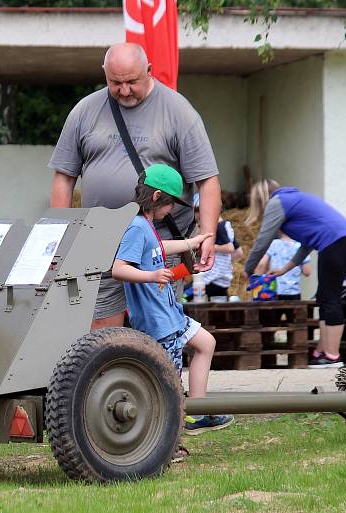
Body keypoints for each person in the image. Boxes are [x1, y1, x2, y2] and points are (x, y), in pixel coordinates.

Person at [48, 42, 221, 330]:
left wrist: (208, 234)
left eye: (132, 82)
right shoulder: (84, 111)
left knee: (158, 327)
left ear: (149, 71)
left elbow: (207, 180)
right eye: (115, 83)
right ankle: (108, 375)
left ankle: (157, 375)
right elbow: (63, 177)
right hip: (101, 240)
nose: (124, 90)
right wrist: (58, 237)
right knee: (102, 331)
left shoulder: (179, 112)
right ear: (104, 73)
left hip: (161, 240)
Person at [112, 164, 234, 435]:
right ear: (156, 197)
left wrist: (193, 242)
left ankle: (198, 414)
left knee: (206, 343)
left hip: (171, 314)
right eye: (170, 204)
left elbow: (159, 247)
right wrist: (152, 275)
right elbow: (118, 268)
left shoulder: (146, 225)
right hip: (158, 322)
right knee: (168, 385)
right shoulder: (136, 227)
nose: (171, 211)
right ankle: (168, 440)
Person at [243, 180, 346, 368]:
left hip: (335, 243)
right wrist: (284, 269)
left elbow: (262, 240)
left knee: (330, 298)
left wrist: (248, 270)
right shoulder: (294, 200)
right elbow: (306, 244)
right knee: (324, 296)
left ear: (261, 198)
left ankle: (333, 356)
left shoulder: (278, 202)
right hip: (345, 240)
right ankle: (322, 351)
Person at [255, 231, 312, 300]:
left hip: (274, 291)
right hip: (294, 293)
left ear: (279, 230)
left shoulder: (274, 244)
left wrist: (257, 283)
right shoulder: (301, 247)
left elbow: (261, 264)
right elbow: (307, 272)